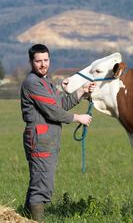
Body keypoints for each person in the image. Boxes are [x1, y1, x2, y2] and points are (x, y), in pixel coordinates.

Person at [20, 44, 95, 221]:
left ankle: (22, 218)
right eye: (38, 61)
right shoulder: (32, 83)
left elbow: (59, 105)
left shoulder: (46, 82)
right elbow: (53, 112)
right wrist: (78, 118)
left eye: (46, 60)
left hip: (48, 139)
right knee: (42, 186)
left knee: (38, 182)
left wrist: (81, 92)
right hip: (40, 139)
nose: (43, 64)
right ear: (31, 62)